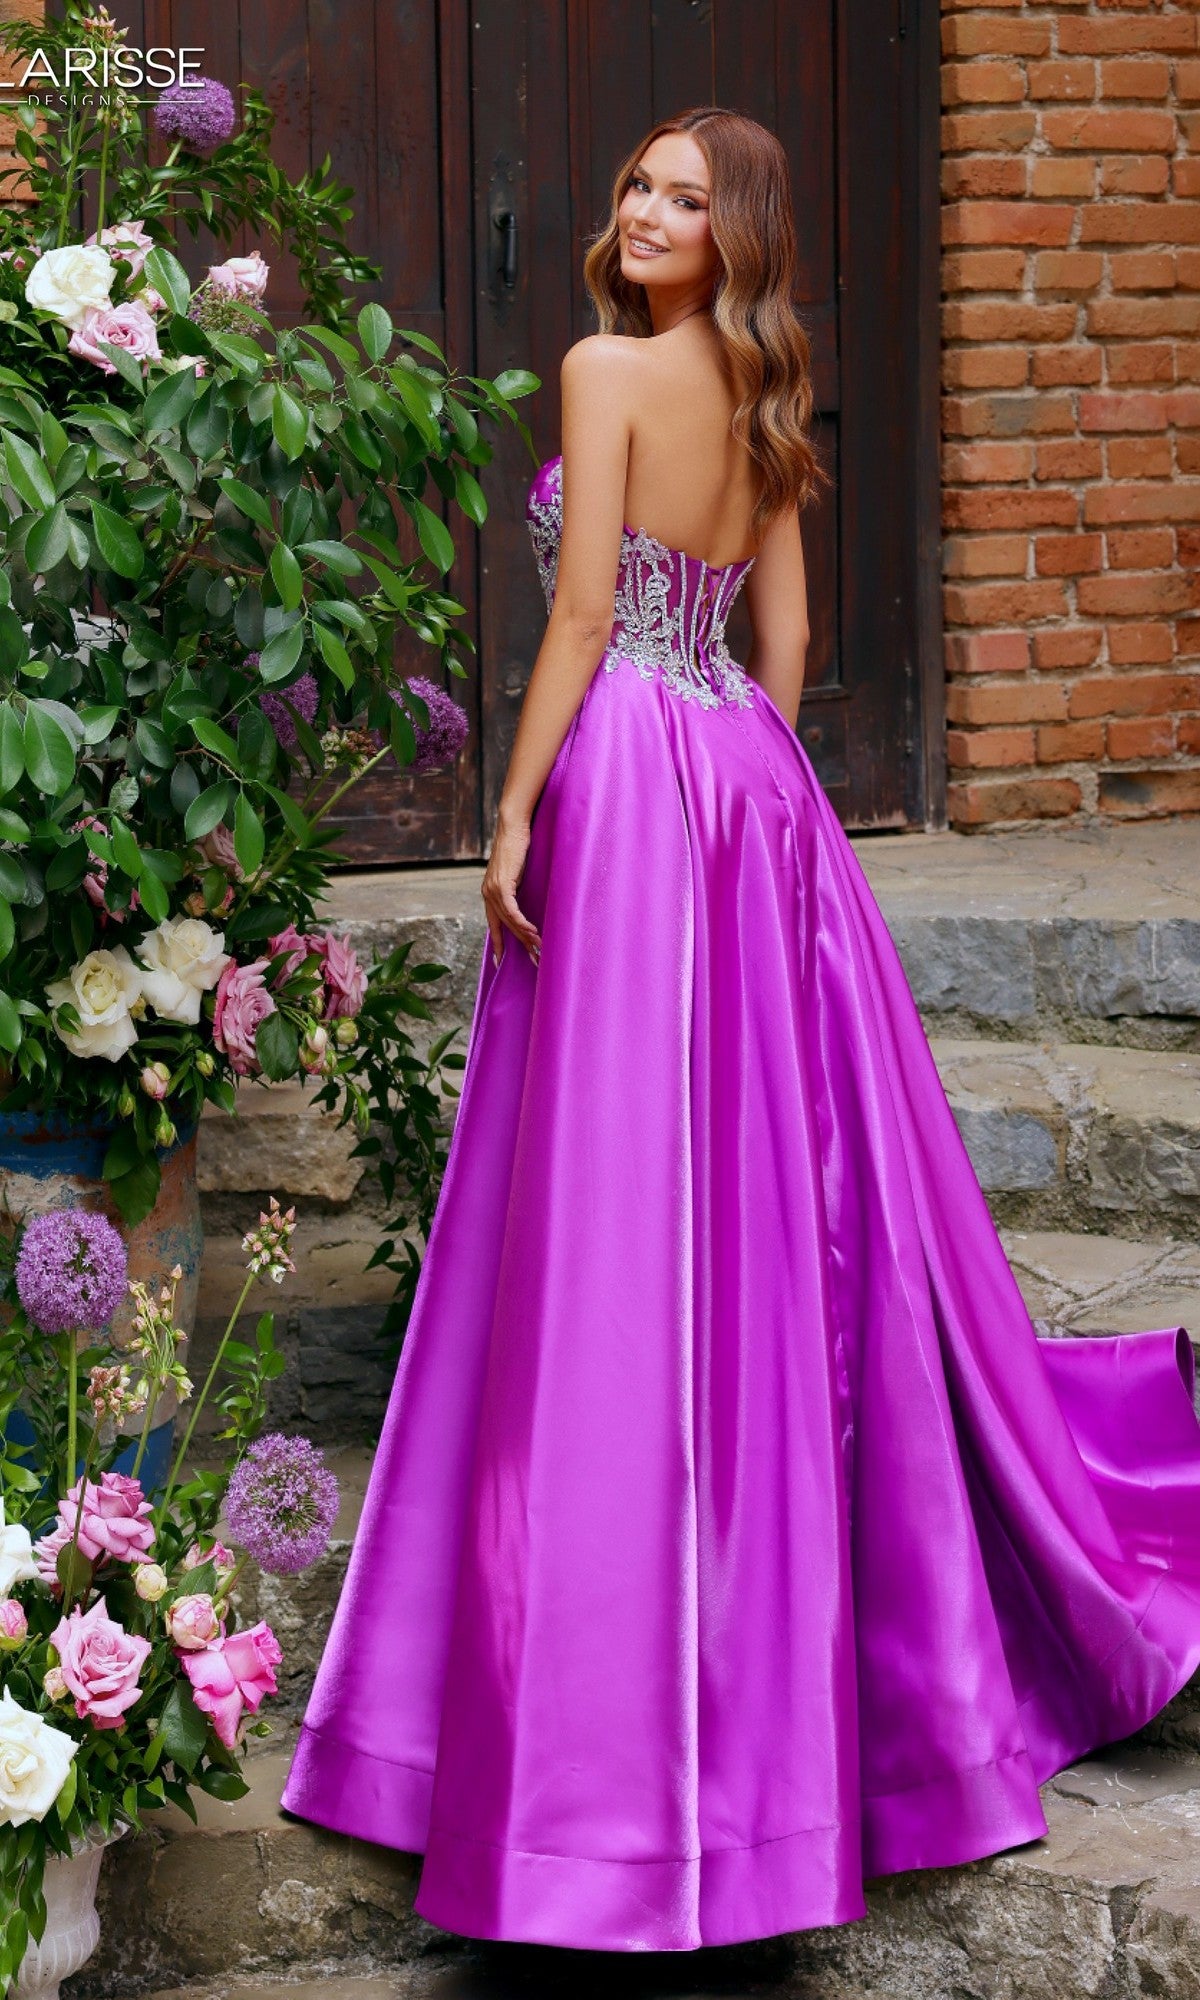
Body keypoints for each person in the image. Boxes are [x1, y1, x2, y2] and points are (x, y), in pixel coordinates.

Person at [280, 106, 1200, 1954]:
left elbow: (583, 614)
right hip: (741, 791)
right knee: (757, 1199)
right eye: (634, 185)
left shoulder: (602, 368)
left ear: (734, 230)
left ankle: (579, 1743)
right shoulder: (770, 392)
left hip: (626, 768)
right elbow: (779, 649)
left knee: (616, 1208)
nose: (641, 214)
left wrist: (523, 805)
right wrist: (749, 793)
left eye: (684, 199)